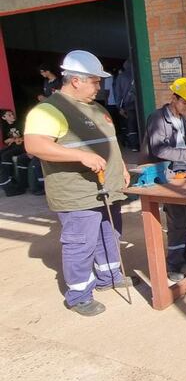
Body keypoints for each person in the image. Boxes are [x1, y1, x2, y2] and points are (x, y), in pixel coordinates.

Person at [24, 50, 134, 316]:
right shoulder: (49, 110)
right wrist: (79, 156)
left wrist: (121, 168)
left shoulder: (96, 108)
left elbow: (109, 142)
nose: (99, 86)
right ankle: (79, 295)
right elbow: (35, 145)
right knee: (80, 243)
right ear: (76, 80)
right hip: (76, 193)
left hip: (107, 188)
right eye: (95, 81)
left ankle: (110, 276)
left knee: (110, 234)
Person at [146, 78, 186, 282]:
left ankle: (183, 254)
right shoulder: (158, 119)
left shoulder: (183, 120)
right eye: (184, 102)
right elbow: (159, 149)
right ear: (174, 98)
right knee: (177, 222)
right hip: (169, 174)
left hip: (185, 173)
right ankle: (173, 265)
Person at [0, 110, 27, 196]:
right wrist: (14, 139)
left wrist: (15, 140)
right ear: (4, 118)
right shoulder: (5, 127)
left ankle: (8, 184)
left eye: (12, 114)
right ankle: (8, 180)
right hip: (13, 146)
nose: (12, 116)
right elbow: (5, 140)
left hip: (23, 146)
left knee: (5, 155)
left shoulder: (20, 124)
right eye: (9, 115)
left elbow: (26, 136)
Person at [114, 60, 139, 151]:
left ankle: (134, 146)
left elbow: (118, 92)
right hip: (139, 102)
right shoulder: (138, 74)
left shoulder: (121, 77)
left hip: (128, 103)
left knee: (131, 124)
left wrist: (119, 106)